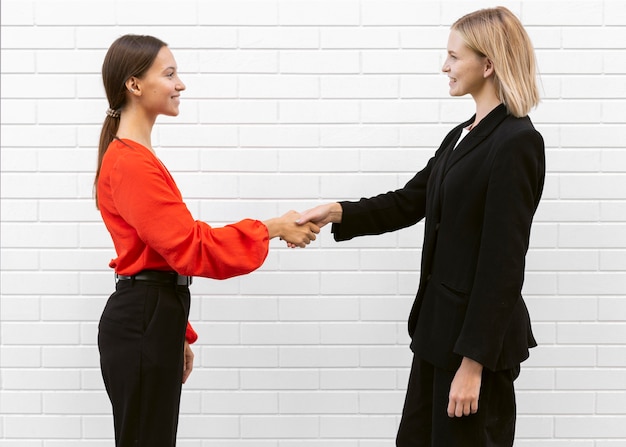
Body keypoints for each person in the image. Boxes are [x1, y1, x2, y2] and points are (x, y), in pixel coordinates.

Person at [296, 7, 544, 447]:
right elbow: (410, 201)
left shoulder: (517, 141)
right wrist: (337, 211)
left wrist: (473, 364)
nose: (444, 67)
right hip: (437, 334)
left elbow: (502, 265)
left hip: (473, 347)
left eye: (453, 56)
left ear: (487, 64)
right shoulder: (461, 135)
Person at [94, 34, 319, 447]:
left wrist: (178, 329)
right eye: (170, 73)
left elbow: (162, 254)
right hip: (144, 320)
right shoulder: (130, 163)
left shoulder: (135, 158)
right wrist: (272, 226)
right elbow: (190, 245)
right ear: (135, 85)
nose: (180, 84)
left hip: (154, 318)